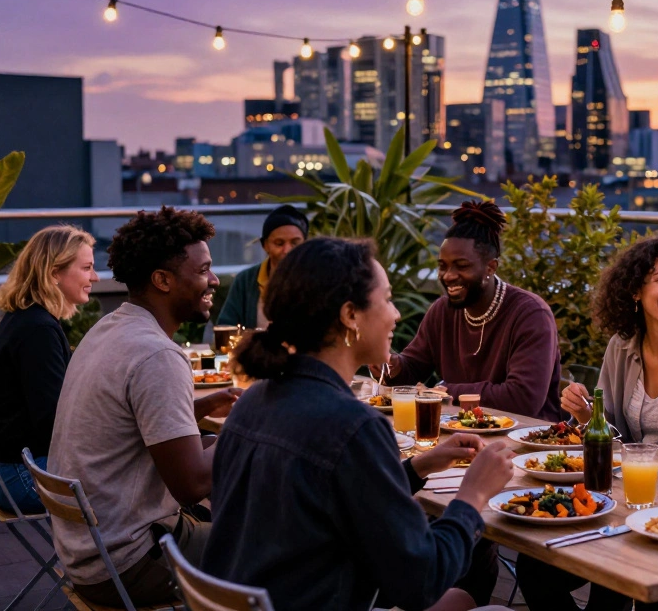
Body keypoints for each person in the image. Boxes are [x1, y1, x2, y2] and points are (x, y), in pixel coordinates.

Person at [202, 237, 518, 611]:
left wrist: (417, 466)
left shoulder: (255, 399)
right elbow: (420, 583)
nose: (396, 314)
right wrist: (473, 496)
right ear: (350, 315)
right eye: (386, 299)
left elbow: (324, 492)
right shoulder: (354, 426)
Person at [519, 235, 658, 611]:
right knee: (536, 567)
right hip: (625, 499)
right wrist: (584, 417)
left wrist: (628, 467)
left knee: (617, 579)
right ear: (635, 292)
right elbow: (610, 433)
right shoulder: (621, 345)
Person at [48, 208, 241, 608]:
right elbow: (190, 485)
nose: (214, 280)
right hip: (130, 564)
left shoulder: (109, 329)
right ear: (163, 280)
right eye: (204, 269)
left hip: (88, 553)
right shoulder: (157, 354)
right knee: (292, 540)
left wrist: (206, 407)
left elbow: (132, 424)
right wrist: (251, 426)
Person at [384, 200, 561, 604]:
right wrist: (386, 360)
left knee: (432, 504)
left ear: (491, 267)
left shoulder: (529, 313)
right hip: (460, 447)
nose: (449, 276)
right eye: (444, 265)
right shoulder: (442, 312)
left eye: (461, 266)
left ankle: (464, 585)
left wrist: (449, 389)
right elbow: (412, 364)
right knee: (416, 502)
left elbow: (524, 398)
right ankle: (455, 587)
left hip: (529, 452)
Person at [0, 225, 99, 514]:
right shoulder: (38, 331)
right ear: (54, 272)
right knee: (138, 475)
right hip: (25, 479)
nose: (94, 277)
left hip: (10, 474)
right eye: (87, 268)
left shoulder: (26, 319)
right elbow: (53, 423)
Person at [217, 204, 307, 329]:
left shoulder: (317, 280)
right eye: (279, 243)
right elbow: (226, 327)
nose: (287, 250)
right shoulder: (246, 281)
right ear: (265, 245)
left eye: (295, 243)